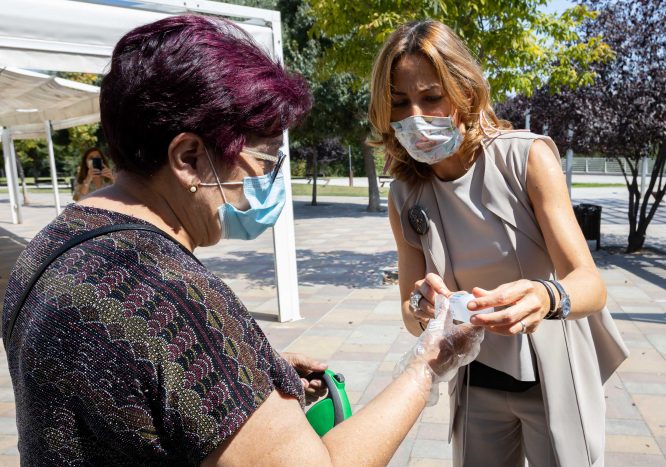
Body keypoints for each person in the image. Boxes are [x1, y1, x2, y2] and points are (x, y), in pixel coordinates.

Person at [2, 15, 483, 466]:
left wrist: (244, 374)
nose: (262, 187)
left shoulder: (47, 249)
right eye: (263, 160)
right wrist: (428, 365)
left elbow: (128, 388)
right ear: (189, 158)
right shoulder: (170, 298)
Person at [368, 19, 629, 467]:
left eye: (432, 98)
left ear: (465, 92)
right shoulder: (404, 194)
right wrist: (421, 306)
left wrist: (547, 296)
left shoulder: (525, 158)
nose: (415, 116)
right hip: (476, 382)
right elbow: (413, 319)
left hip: (556, 378)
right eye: (399, 103)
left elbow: (591, 285)